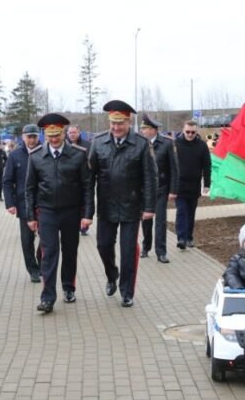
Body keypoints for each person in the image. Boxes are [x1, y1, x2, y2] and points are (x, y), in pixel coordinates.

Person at [88, 99, 158, 308]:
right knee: (103, 245)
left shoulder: (141, 143)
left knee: (128, 250)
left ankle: (127, 292)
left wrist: (149, 207)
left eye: (121, 123)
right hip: (106, 206)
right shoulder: (98, 143)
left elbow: (150, 177)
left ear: (129, 122)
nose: (116, 127)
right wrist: (87, 210)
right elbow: (89, 179)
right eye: (113, 123)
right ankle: (112, 275)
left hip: (131, 205)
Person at [26, 113, 94, 313]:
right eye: (50, 136)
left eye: (57, 135)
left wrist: (88, 214)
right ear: (45, 135)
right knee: (49, 253)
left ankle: (68, 287)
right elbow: (29, 188)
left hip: (71, 211)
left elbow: (87, 186)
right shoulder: (36, 156)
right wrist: (30, 216)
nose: (54, 140)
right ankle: (48, 297)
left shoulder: (78, 154)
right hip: (47, 212)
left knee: (70, 251)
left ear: (64, 133)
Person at [2, 124, 43, 283]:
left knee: (46, 239)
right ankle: (32, 269)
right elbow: (7, 181)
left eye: (34, 136)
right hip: (24, 203)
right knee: (27, 240)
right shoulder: (15, 155)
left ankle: (42, 263)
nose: (32, 139)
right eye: (29, 137)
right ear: (23, 137)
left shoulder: (45, 151)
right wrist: (9, 203)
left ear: (38, 136)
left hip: (44, 203)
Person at [138, 114, 179, 263]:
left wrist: (173, 190)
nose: (143, 131)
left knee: (160, 221)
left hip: (161, 189)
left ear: (154, 130)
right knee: (146, 220)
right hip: (144, 190)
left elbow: (174, 168)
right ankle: (146, 247)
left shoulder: (167, 143)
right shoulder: (140, 143)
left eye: (145, 128)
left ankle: (161, 252)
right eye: (142, 128)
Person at [174, 120, 212, 250]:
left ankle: (189, 237)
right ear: (183, 130)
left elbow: (207, 166)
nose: (190, 134)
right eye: (187, 132)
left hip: (194, 185)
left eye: (193, 132)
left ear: (197, 132)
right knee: (181, 211)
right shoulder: (176, 144)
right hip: (179, 185)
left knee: (190, 213)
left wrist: (207, 184)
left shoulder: (202, 146)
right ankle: (181, 238)